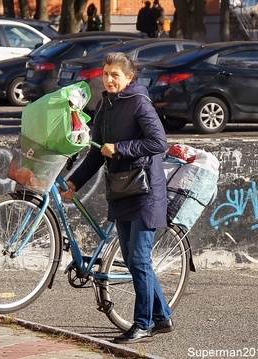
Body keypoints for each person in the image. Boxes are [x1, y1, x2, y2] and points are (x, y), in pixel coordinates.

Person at [60, 52, 174, 344]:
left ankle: (143, 323)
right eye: (106, 74)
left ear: (129, 77)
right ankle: (162, 317)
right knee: (135, 260)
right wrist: (74, 182)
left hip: (146, 190)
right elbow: (97, 151)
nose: (109, 79)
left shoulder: (139, 102)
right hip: (122, 190)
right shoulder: (105, 105)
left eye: (115, 75)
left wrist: (121, 148)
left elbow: (159, 142)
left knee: (137, 258)